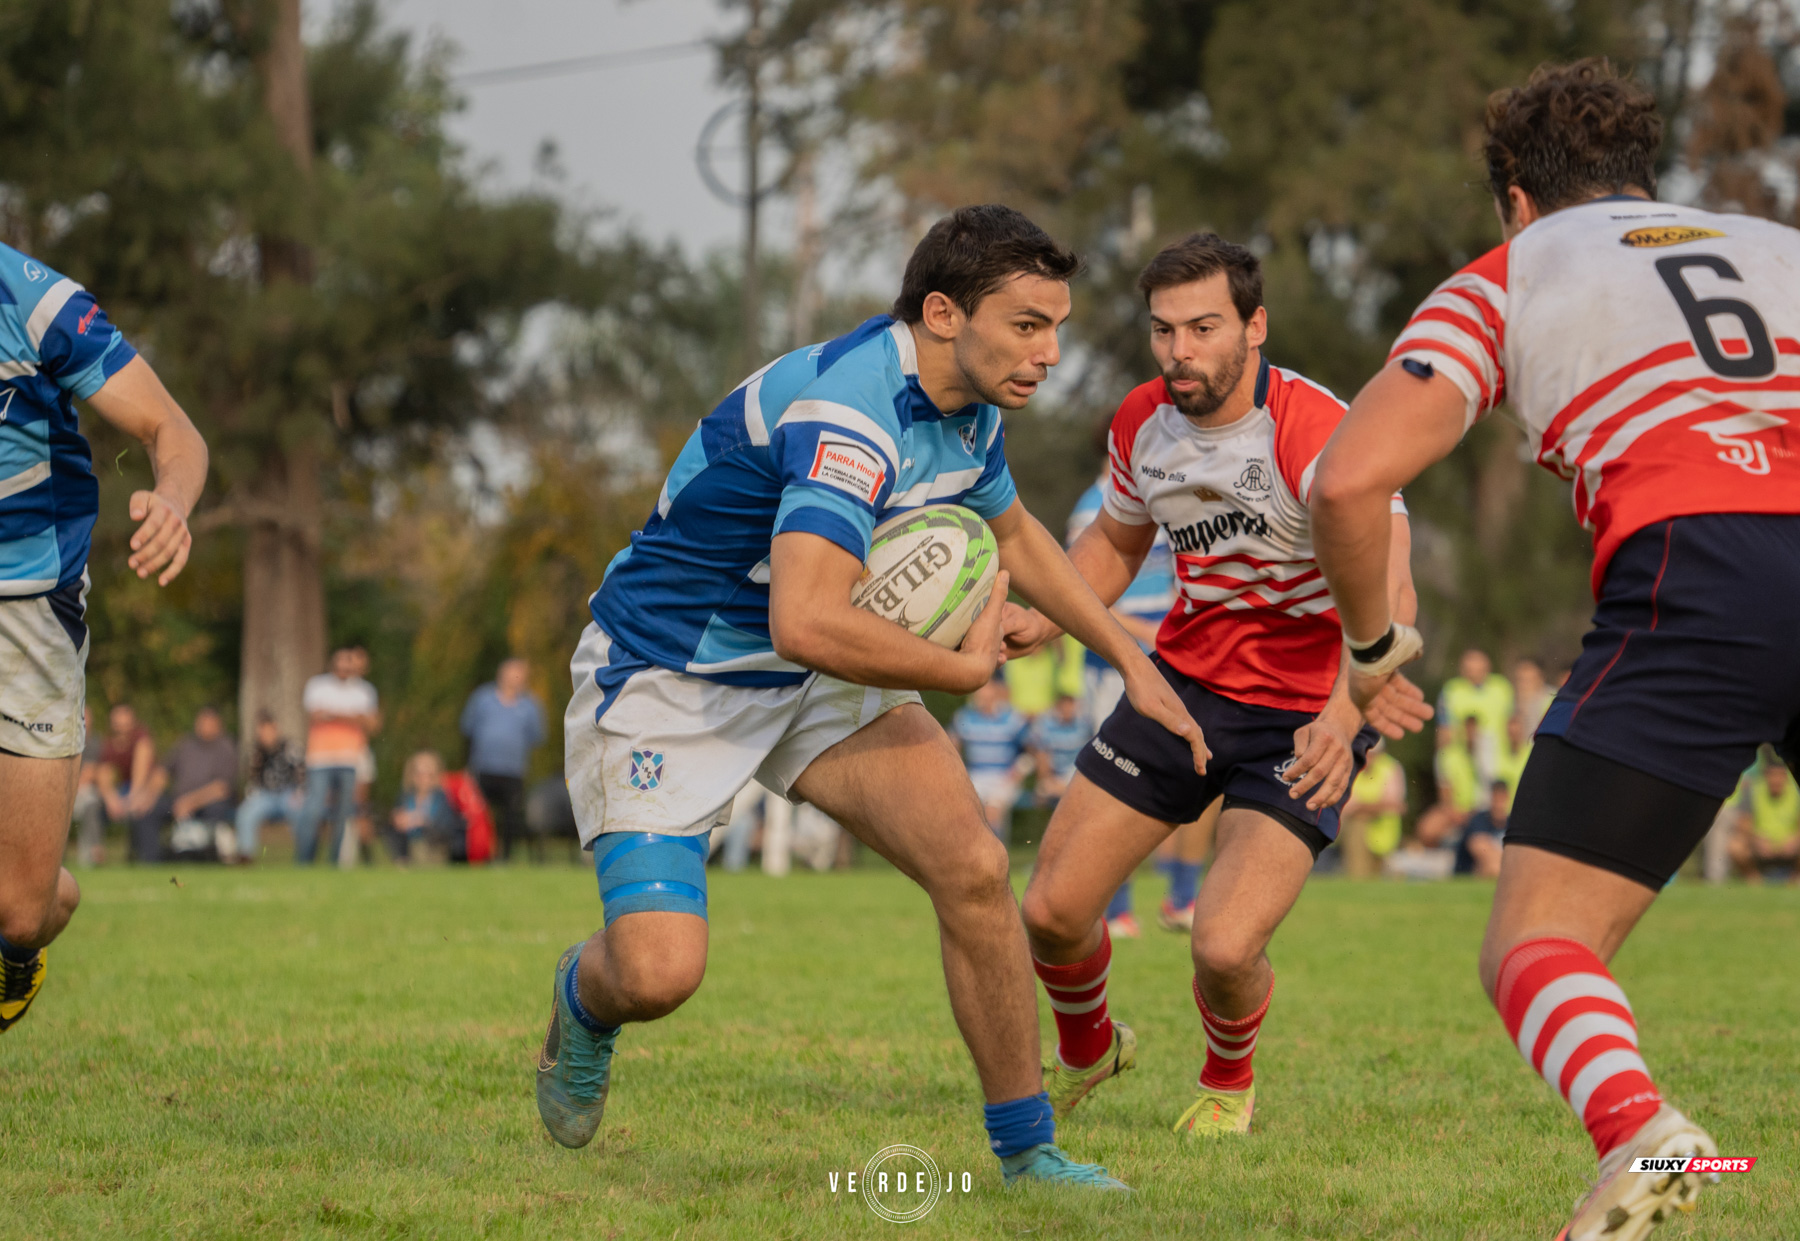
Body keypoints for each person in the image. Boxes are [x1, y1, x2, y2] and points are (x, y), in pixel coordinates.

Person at [540, 205, 1210, 1190]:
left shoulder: (968, 404)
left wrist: (1129, 656)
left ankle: (1028, 1151)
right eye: (1028, 324)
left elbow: (1018, 536)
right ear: (944, 312)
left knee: (974, 867)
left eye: (1056, 326)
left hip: (812, 673)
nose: (1051, 352)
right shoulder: (853, 413)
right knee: (657, 972)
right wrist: (963, 669)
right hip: (670, 675)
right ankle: (581, 999)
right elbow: (804, 620)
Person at [1307, 59, 1800, 1237]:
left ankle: (1643, 1130)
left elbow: (1348, 480)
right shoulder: (1776, 242)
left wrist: (1372, 645)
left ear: (1515, 196)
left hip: (1707, 564)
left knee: (1538, 939)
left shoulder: (1512, 270)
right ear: (1643, 174)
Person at [1004, 232, 1431, 1136]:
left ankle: (1227, 1081)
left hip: (1307, 710)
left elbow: (1394, 583)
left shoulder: (1316, 430)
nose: (1180, 352)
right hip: (1185, 689)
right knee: (1049, 911)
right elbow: (1117, 544)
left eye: (1202, 328)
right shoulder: (1140, 424)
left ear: (1255, 325)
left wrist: (1348, 708)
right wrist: (1043, 614)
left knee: (1225, 945)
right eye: (1163, 331)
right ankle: (1090, 1051)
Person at [0, 239, 207, 1034]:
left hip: (28, 608)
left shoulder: (36, 302)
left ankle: (38, 909)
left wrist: (173, 503)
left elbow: (173, 430)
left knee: (20, 910)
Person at [293, 647, 380, 866]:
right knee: (314, 810)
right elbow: (316, 715)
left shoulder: (364, 691)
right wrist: (353, 716)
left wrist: (334, 714)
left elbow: (371, 723)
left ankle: (335, 862)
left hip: (349, 759)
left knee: (343, 813)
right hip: (320, 759)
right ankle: (305, 860)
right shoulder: (318, 685)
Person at [460, 657, 547, 862]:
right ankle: (480, 855)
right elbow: (468, 731)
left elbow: (537, 737)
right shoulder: (482, 698)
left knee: (510, 817)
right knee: (480, 816)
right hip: (483, 767)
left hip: (513, 770)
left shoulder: (531, 705)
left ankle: (505, 858)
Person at [153, 705, 238, 859]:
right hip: (179, 801)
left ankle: (210, 856)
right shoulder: (185, 745)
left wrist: (189, 802)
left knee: (216, 810)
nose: (204, 726)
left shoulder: (225, 748)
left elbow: (221, 789)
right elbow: (163, 772)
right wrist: (147, 795)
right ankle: (151, 859)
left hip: (207, 802)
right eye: (201, 722)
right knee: (152, 809)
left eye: (208, 722)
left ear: (218, 725)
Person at [952, 677, 1033, 839]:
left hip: (1004, 777)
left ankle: (994, 857)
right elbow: (952, 743)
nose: (980, 695)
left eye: (985, 689)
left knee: (992, 809)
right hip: (975, 776)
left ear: (995, 692)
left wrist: (1019, 772)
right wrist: (958, 770)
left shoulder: (1012, 718)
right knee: (961, 808)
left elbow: (1031, 752)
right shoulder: (964, 717)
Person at [234, 711, 305, 863]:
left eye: (268, 731)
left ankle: (304, 856)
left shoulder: (290, 747)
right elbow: (252, 779)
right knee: (245, 813)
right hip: (264, 795)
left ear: (275, 729)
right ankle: (246, 855)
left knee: (301, 813)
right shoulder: (256, 751)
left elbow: (302, 772)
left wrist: (300, 793)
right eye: (262, 732)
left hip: (288, 793)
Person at [97, 703, 162, 863]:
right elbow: (104, 773)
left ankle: (148, 861)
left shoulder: (142, 739)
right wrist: (110, 798)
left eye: (125, 726)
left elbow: (143, 772)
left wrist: (134, 798)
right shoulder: (110, 743)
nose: (122, 730)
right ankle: (95, 857)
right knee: (97, 807)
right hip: (125, 789)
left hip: (148, 788)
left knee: (143, 811)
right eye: (118, 726)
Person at [1727, 753, 1799, 885]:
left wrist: (1795, 839)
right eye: (1772, 775)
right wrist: (1757, 839)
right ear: (1766, 776)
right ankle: (1755, 880)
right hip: (1761, 844)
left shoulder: (1796, 792)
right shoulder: (1754, 791)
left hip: (1788, 844)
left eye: (1780, 775)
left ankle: (1795, 879)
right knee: (1735, 846)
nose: (1776, 780)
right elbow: (1743, 823)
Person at [1340, 738, 1406, 879]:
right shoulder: (1351, 767)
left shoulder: (1391, 768)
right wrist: (1380, 806)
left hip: (1385, 832)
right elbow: (1348, 807)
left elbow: (1396, 805)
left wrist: (1364, 807)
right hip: (1361, 828)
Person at [1436, 649, 1513, 757]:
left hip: (1497, 761)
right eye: (1470, 670)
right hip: (1461, 761)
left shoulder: (1501, 686)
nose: (1474, 674)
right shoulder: (1452, 690)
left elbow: (1513, 726)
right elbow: (1444, 731)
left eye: (1479, 669)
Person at [390, 750, 458, 862]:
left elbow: (448, 829)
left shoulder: (443, 798)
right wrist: (396, 821)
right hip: (407, 850)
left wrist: (424, 822)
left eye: (429, 775)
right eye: (419, 774)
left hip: (433, 850)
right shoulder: (405, 797)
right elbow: (394, 827)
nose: (424, 779)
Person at [1031, 693, 1091, 804]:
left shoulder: (1084, 727)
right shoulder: (1047, 727)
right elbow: (1042, 755)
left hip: (1076, 774)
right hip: (1055, 775)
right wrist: (1046, 778)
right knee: (1043, 790)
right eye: (1064, 706)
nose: (1067, 710)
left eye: (1070, 706)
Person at [71, 705, 107, 868]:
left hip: (84, 791)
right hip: (67, 791)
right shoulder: (67, 742)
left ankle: (92, 854)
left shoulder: (96, 743)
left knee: (91, 804)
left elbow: (92, 773)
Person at [1454, 780, 1511, 879]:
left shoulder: (1511, 822)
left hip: (1500, 865)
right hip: (1471, 872)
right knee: (1493, 866)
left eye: (1502, 797)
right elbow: (1479, 847)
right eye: (1496, 797)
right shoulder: (1479, 819)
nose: (1499, 802)